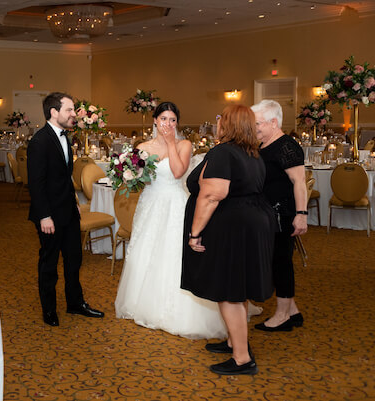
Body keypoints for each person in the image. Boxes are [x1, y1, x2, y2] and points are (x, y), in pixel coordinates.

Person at [115, 101, 228, 339]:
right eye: (164, 119)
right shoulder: (143, 146)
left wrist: (169, 144)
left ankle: (179, 310)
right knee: (145, 250)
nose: (168, 124)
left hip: (174, 202)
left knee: (173, 253)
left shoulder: (184, 144)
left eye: (173, 120)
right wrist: (131, 174)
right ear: (155, 120)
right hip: (150, 204)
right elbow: (141, 180)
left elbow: (178, 172)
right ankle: (141, 303)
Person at [182, 104, 275, 375]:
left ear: (229, 124)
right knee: (237, 287)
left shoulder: (224, 152)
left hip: (233, 227)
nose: (217, 120)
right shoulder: (251, 152)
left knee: (229, 292)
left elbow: (212, 195)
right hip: (249, 222)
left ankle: (242, 358)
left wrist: (195, 232)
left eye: (220, 117)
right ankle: (236, 341)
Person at [27, 92, 104, 327]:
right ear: (54, 112)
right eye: (69, 110)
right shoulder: (39, 142)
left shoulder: (65, 137)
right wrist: (44, 216)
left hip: (68, 211)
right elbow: (36, 184)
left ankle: (75, 303)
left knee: (74, 260)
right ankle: (49, 310)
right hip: (49, 214)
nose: (74, 114)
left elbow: (64, 177)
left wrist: (76, 203)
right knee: (49, 264)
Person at [251, 99, 307, 332]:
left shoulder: (287, 146)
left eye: (258, 124)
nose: (255, 128)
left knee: (281, 264)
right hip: (268, 214)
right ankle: (292, 311)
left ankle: (282, 316)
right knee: (275, 261)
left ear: (274, 122)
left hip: (282, 214)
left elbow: (299, 182)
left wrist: (301, 214)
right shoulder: (265, 145)